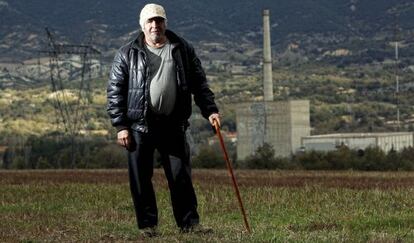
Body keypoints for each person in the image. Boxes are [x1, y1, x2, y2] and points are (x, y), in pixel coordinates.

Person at [106, 3, 220, 237]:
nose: (155, 25)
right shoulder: (127, 53)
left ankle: (189, 224)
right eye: (150, 21)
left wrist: (211, 110)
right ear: (142, 25)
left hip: (173, 125)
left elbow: (199, 84)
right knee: (141, 179)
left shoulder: (182, 49)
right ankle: (148, 227)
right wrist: (121, 126)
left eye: (159, 21)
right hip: (139, 127)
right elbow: (115, 91)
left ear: (166, 23)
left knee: (180, 177)